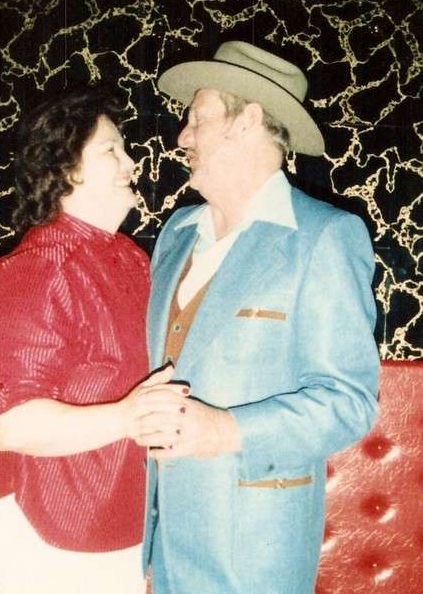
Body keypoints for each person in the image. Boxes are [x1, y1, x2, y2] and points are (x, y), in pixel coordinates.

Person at [137, 41, 379, 593]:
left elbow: (349, 402)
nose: (182, 137)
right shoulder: (177, 234)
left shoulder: (324, 236)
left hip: (255, 556)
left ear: (245, 121)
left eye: (198, 119)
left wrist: (226, 430)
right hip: (165, 545)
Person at [0, 88, 186, 594]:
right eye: (111, 150)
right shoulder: (35, 271)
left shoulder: (128, 258)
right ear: (66, 169)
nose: (131, 162)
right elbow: (10, 425)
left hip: (118, 520)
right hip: (48, 528)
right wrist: (130, 417)